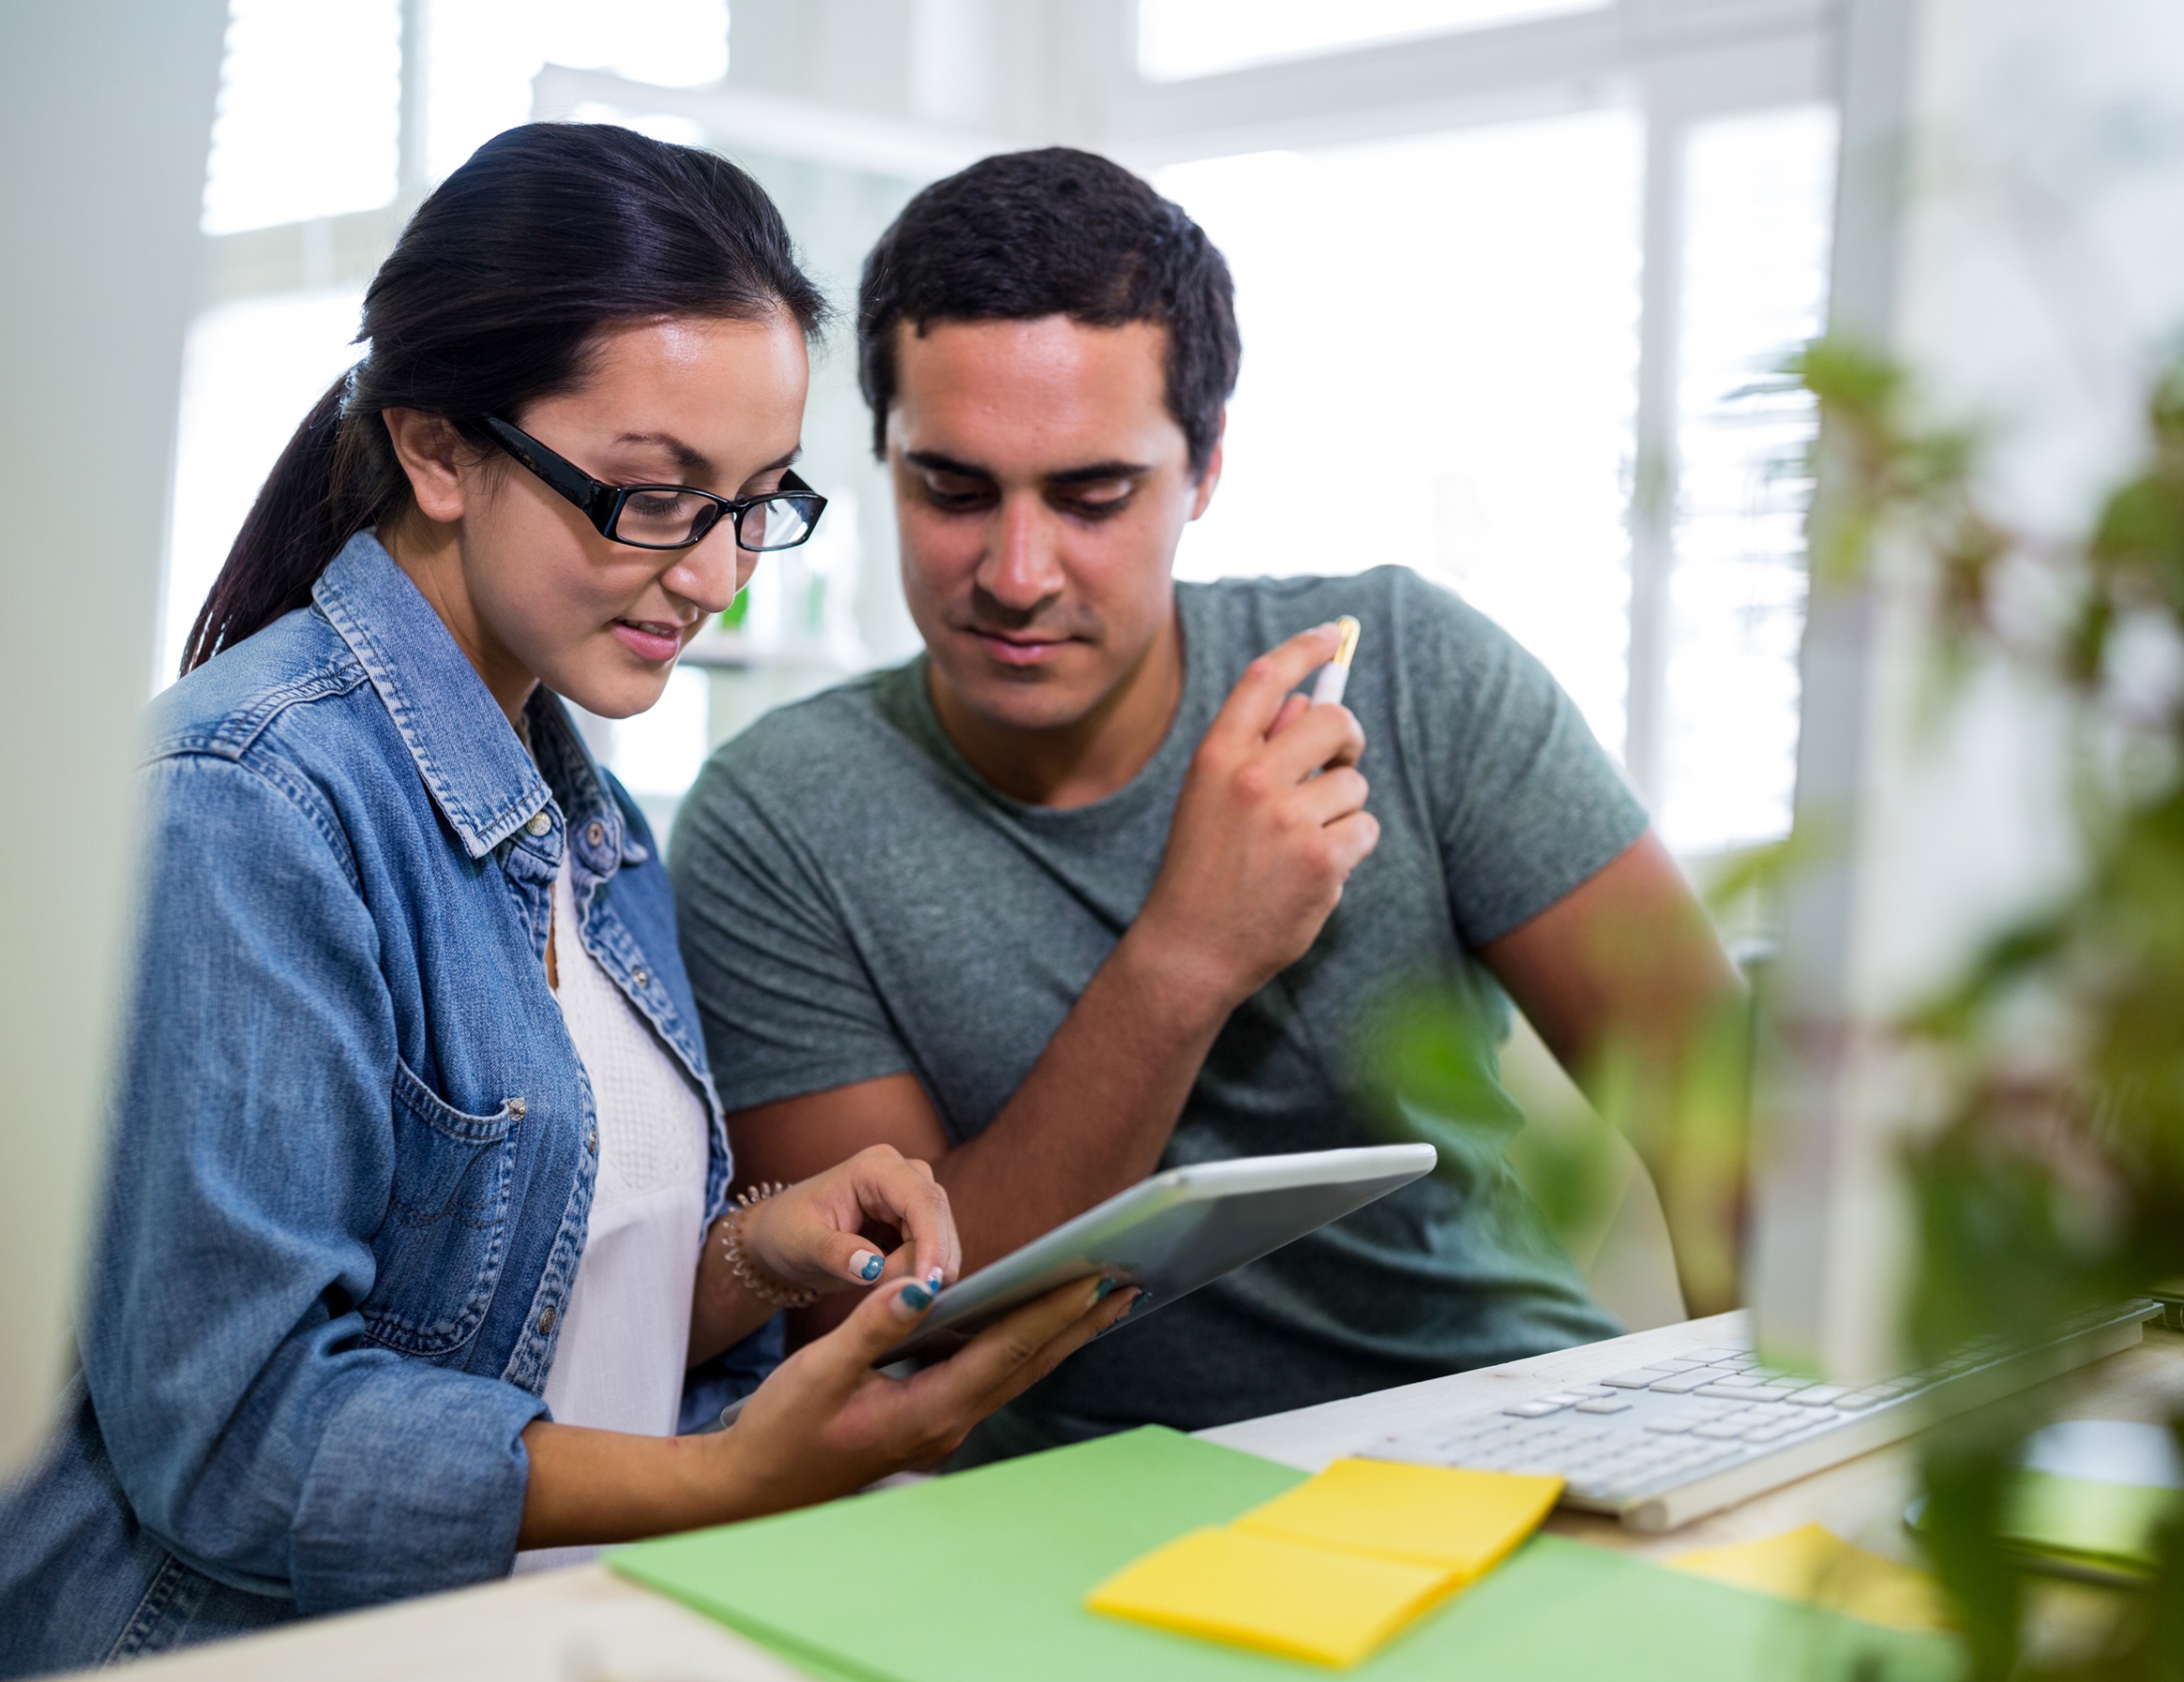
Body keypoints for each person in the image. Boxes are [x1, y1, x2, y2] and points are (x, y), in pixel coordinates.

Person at [0, 126, 1134, 1682]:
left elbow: (513, 1311)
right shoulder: (245, 800)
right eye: (657, 496)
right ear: (437, 448)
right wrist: (730, 1480)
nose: (720, 576)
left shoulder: (579, 806)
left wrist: (757, 1251)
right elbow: (244, 1435)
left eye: (758, 502)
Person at [669, 147, 1750, 1463]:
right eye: (952, 490)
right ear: (885, 456)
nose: (1017, 572)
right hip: (1065, 1526)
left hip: (1510, 1443)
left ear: (1206, 470)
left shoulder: (1411, 675)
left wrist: (1763, 1477)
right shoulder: (778, 818)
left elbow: (1726, 1133)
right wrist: (1188, 955)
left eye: (1093, 495)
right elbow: (902, 1316)